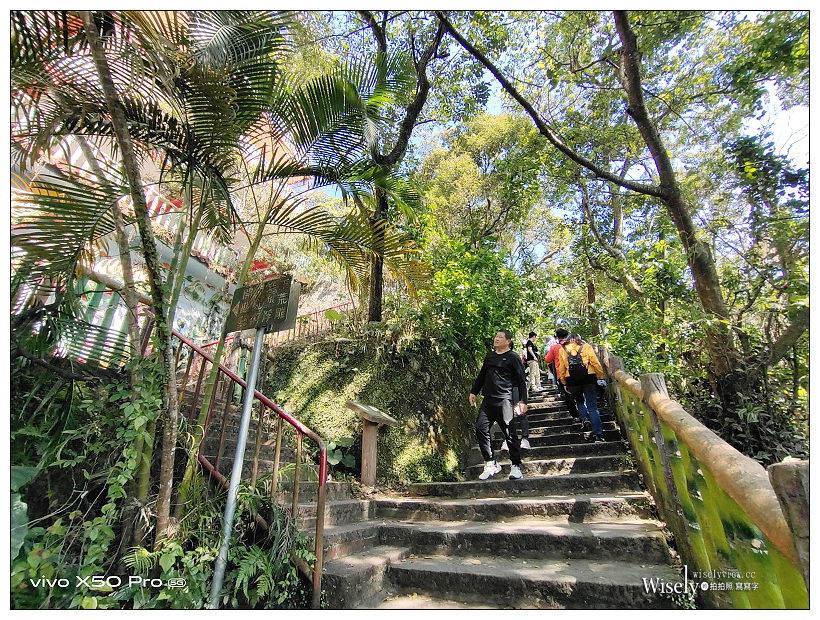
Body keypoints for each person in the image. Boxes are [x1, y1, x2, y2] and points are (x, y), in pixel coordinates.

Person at [469, 329, 528, 480]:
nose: (496, 339)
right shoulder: (490, 356)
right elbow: (482, 374)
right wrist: (473, 392)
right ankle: (490, 462)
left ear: (508, 341)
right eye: (496, 336)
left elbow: (521, 380)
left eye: (500, 337)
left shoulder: (513, 357)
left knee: (509, 433)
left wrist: (522, 401)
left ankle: (515, 466)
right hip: (488, 400)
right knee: (480, 428)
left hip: (504, 400)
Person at [556, 333, 608, 443]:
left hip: (572, 380)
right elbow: (595, 363)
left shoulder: (563, 350)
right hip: (588, 378)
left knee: (579, 401)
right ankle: (599, 435)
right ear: (579, 339)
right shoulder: (586, 347)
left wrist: (564, 383)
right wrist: (601, 377)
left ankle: (584, 419)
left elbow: (561, 368)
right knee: (592, 406)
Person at [544, 328, 579, 418]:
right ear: (567, 336)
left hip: (561, 374)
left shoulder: (555, 347)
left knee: (567, 395)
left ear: (557, 337)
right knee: (579, 393)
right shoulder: (573, 345)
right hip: (575, 372)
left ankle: (575, 416)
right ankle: (583, 414)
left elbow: (547, 359)